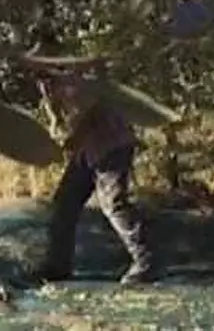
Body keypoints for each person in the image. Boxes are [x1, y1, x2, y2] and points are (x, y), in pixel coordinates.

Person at [30, 73, 160, 285]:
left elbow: (93, 111)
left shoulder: (74, 79)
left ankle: (146, 261)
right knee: (65, 203)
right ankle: (58, 266)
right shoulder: (48, 84)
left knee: (113, 204)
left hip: (111, 144)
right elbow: (58, 116)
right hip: (88, 150)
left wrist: (71, 140)